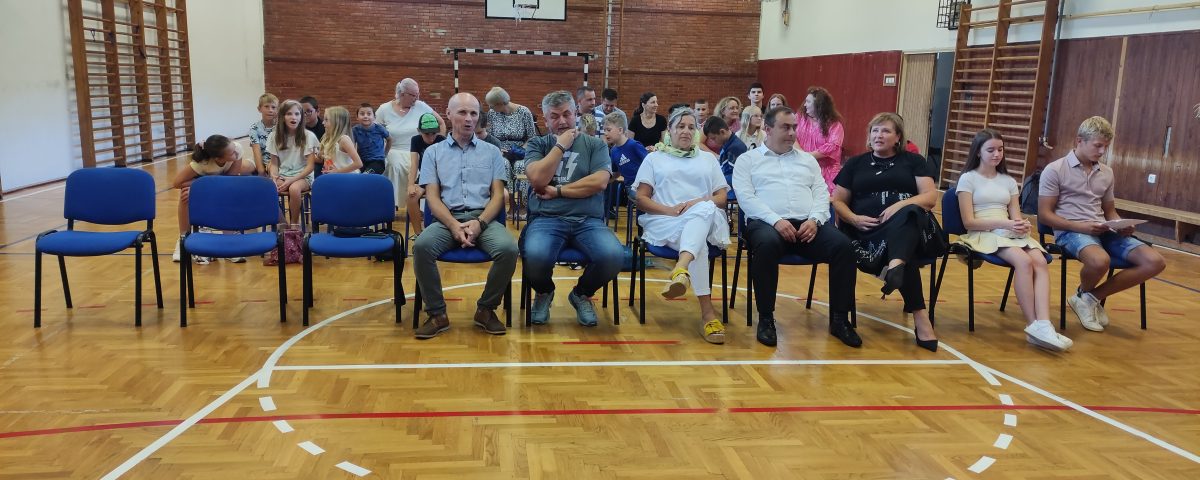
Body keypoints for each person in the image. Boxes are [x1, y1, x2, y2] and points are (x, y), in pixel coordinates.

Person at [734, 107, 861, 348]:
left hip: (807, 225)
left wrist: (814, 220)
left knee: (843, 247)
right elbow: (746, 198)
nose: (792, 133)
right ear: (768, 129)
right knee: (767, 244)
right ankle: (766, 319)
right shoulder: (747, 160)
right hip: (766, 224)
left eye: (794, 127)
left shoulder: (807, 161)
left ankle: (839, 320)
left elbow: (822, 194)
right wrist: (775, 220)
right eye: (785, 127)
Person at [1038, 116, 1166, 332]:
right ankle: (1086, 298)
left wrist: (1120, 225)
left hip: (1103, 230)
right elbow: (1044, 215)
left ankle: (1087, 298)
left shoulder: (1107, 172)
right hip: (1071, 230)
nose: (1102, 151)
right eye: (1098, 145)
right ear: (1080, 141)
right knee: (1100, 261)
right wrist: (1081, 227)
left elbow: (1109, 211)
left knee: (1155, 262)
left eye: (1105, 147)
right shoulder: (1055, 169)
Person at [411, 93, 517, 339]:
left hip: (484, 218)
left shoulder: (492, 152)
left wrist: (479, 224)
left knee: (509, 249)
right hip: (447, 218)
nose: (469, 119)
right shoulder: (433, 153)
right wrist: (453, 225)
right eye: (462, 112)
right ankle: (437, 313)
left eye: (473, 113)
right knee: (422, 247)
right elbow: (432, 198)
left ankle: (486, 310)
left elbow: (498, 196)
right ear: (448, 115)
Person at [832, 113, 939, 352]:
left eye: (886, 131)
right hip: (866, 232)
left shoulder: (913, 161)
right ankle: (917, 311)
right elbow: (837, 201)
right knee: (904, 250)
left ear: (898, 137)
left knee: (909, 215)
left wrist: (899, 206)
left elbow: (930, 197)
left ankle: (895, 266)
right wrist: (854, 218)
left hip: (910, 228)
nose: (879, 135)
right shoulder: (855, 164)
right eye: (875, 130)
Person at [957, 129, 1072, 351]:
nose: (997, 154)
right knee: (1024, 261)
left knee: (1040, 260)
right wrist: (1005, 224)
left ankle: (1044, 324)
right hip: (983, 232)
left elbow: (1015, 215)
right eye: (990, 150)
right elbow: (969, 222)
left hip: (1006, 231)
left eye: (1000, 149)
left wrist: (1021, 225)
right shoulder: (968, 178)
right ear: (978, 152)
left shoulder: (1008, 181)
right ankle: (1032, 324)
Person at [522, 90, 626, 327]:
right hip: (546, 219)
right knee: (535, 255)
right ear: (545, 119)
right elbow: (537, 179)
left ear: (576, 113)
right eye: (554, 116)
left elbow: (599, 182)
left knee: (613, 256)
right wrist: (560, 146)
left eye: (567, 114)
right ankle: (544, 292)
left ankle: (581, 294)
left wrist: (558, 191)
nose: (562, 121)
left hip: (588, 220)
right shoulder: (538, 144)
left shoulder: (595, 145)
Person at [633, 107, 730, 343]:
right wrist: (669, 210)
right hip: (665, 221)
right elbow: (641, 199)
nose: (686, 131)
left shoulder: (708, 159)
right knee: (698, 244)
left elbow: (721, 198)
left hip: (705, 218)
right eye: (680, 126)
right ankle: (707, 315)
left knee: (704, 210)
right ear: (669, 130)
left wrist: (697, 202)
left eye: (691, 127)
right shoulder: (654, 158)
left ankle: (681, 268)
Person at [172, 135, 254, 264]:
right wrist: (197, 187)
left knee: (228, 194)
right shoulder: (202, 164)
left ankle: (229, 241)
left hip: (220, 184)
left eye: (234, 148)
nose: (236, 153)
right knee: (185, 196)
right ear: (218, 159)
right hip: (207, 184)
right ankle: (183, 238)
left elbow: (230, 180)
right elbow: (177, 183)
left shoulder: (237, 149)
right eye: (232, 153)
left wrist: (206, 186)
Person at [377, 78, 445, 207]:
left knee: (423, 164)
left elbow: (440, 123)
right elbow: (375, 132)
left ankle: (421, 205)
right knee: (394, 165)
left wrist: (437, 145)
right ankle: (393, 204)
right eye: (414, 95)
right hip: (393, 149)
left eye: (418, 94)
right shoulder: (384, 109)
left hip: (419, 149)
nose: (417, 98)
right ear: (402, 94)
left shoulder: (421, 106)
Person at [485, 86, 539, 216]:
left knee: (521, 166)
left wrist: (520, 149)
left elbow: (532, 137)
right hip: (501, 151)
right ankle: (511, 203)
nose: (490, 108)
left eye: (492, 105)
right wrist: (497, 149)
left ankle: (522, 204)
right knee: (504, 165)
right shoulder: (492, 114)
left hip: (521, 150)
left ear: (500, 103)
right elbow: (489, 136)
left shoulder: (524, 112)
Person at [266, 99, 319, 226]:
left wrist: (292, 180)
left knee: (294, 189)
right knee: (267, 189)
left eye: (297, 114)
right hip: (283, 174)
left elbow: (310, 166)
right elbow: (274, 163)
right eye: (289, 114)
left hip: (303, 176)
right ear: (282, 117)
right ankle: (283, 223)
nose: (293, 117)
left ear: (301, 117)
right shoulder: (274, 136)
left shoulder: (308, 136)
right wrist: (273, 176)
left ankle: (295, 224)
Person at [795, 87, 845, 194]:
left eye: (808, 102)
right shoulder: (800, 117)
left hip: (826, 172)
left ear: (819, 104)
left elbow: (832, 146)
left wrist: (807, 157)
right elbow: (791, 136)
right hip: (801, 165)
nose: (805, 104)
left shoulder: (835, 125)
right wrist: (803, 155)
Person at [406, 113, 448, 235]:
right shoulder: (416, 140)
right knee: (411, 197)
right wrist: (411, 185)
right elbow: (414, 164)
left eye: (433, 133)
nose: (431, 137)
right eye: (427, 134)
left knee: (438, 197)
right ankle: (419, 234)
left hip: (441, 178)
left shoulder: (441, 140)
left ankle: (441, 230)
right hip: (424, 177)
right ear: (419, 131)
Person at [603, 111, 648, 193]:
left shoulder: (634, 145)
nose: (605, 133)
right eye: (604, 130)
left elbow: (649, 162)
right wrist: (603, 182)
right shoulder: (613, 151)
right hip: (629, 187)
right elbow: (616, 173)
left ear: (620, 130)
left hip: (643, 185)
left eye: (609, 130)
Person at [318, 106, 364, 174]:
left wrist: (337, 172)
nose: (323, 123)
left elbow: (358, 164)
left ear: (336, 122)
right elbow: (328, 161)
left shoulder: (344, 139)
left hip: (348, 176)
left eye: (326, 120)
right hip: (335, 176)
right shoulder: (328, 138)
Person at [702, 117, 747, 185]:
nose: (713, 142)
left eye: (714, 138)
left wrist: (714, 180)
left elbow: (736, 176)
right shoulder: (726, 143)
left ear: (722, 132)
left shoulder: (736, 148)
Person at [352, 103, 390, 174]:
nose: (365, 116)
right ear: (357, 117)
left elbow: (389, 139)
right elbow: (352, 145)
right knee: (359, 176)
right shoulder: (355, 130)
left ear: (374, 117)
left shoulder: (379, 128)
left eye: (369, 114)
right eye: (362, 114)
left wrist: (385, 153)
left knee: (365, 176)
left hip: (377, 161)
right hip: (362, 161)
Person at [248, 93, 278, 176]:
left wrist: (272, 162)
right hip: (259, 159)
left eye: (273, 107)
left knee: (272, 169)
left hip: (275, 160)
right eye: (266, 106)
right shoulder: (254, 128)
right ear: (259, 109)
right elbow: (256, 150)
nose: (270, 110)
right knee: (243, 166)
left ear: (277, 110)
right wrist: (260, 169)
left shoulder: (280, 127)